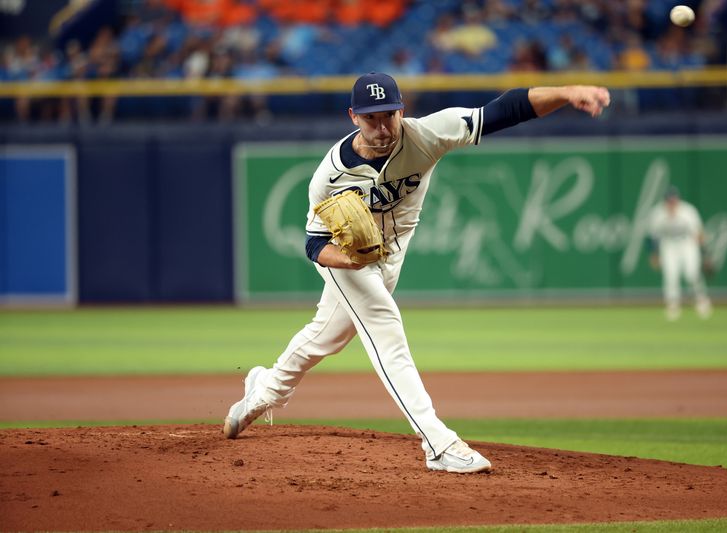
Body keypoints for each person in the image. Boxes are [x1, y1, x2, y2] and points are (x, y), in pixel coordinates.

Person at [223, 72, 611, 473]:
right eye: (371, 117)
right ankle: (438, 443)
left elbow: (506, 109)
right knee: (385, 329)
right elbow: (314, 245)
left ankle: (262, 391)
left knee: (325, 337)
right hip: (349, 262)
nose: (381, 126)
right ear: (353, 116)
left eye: (388, 114)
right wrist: (351, 261)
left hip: (391, 256)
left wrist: (568, 92)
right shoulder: (330, 176)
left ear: (401, 110)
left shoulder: (427, 134)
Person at [648, 186, 713, 321]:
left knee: (691, 273)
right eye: (669, 201)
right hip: (669, 245)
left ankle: (701, 300)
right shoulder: (658, 213)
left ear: (678, 200)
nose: (671, 204)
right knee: (671, 275)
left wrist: (706, 255)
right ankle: (673, 305)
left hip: (687, 244)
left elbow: (699, 234)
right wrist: (654, 254)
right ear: (665, 201)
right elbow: (653, 236)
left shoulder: (688, 212)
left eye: (674, 200)